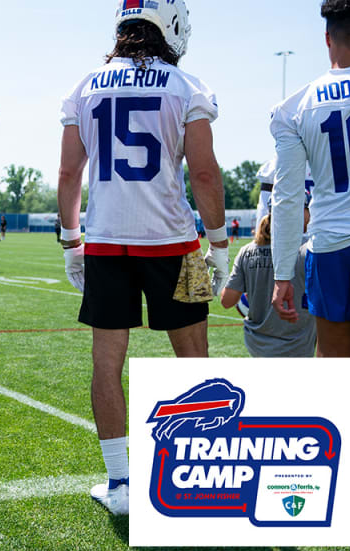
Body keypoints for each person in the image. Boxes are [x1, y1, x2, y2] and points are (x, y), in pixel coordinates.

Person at [57, 0, 228, 516]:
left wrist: (71, 240)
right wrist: (218, 242)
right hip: (176, 243)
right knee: (194, 357)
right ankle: (202, 473)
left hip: (107, 242)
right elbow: (203, 175)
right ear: (170, 27)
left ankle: (121, 484)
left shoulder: (85, 86)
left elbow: (68, 175)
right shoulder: (186, 85)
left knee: (106, 363)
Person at [270, 0, 350, 357]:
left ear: (327, 39)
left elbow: (286, 197)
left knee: (332, 373)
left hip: (330, 244)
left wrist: (283, 273)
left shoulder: (295, 107)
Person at [222, 194, 316, 357]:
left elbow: (227, 301)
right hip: (297, 345)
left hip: (256, 344)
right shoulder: (310, 250)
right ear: (301, 212)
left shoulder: (247, 251)